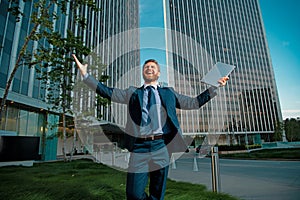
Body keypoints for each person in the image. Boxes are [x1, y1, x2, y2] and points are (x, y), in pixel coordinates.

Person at [73, 54, 229, 200]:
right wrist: (86, 76)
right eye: (146, 67)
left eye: (153, 67)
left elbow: (194, 103)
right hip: (139, 146)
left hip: (161, 146)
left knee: (157, 191)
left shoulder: (169, 93)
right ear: (143, 72)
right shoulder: (132, 92)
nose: (149, 69)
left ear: (158, 73)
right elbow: (107, 92)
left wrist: (214, 88)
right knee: (133, 194)